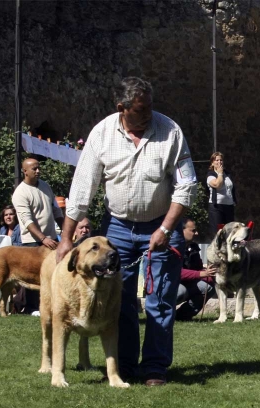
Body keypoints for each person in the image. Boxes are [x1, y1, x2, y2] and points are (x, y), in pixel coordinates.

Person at [56, 77, 197, 387]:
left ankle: (155, 369)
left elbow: (186, 185)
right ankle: (126, 366)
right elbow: (82, 189)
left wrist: (165, 228)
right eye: (140, 109)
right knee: (120, 303)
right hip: (116, 229)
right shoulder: (101, 135)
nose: (148, 114)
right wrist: (66, 238)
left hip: (163, 224)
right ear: (122, 108)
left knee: (160, 300)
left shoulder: (170, 131)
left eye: (150, 107)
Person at [12, 158, 64, 314]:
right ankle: (31, 308)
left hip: (52, 239)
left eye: (38, 168)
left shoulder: (45, 186)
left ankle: (51, 306)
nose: (38, 171)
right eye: (34, 169)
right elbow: (27, 221)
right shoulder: (20, 193)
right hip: (32, 241)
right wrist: (43, 239)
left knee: (53, 273)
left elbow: (56, 211)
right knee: (33, 274)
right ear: (25, 171)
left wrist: (66, 232)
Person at [175, 218, 217, 321]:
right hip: (172, 284)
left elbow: (198, 269)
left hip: (188, 283)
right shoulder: (172, 247)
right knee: (181, 291)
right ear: (181, 230)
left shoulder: (193, 248)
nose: (196, 233)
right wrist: (201, 274)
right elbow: (176, 272)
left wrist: (211, 274)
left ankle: (181, 316)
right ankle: (163, 314)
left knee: (209, 287)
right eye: (193, 230)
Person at [207, 152, 236, 238]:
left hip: (229, 206)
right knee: (218, 234)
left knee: (229, 233)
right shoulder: (211, 175)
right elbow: (217, 185)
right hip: (216, 208)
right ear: (212, 162)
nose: (219, 162)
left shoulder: (227, 174)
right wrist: (219, 173)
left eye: (221, 160)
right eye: (217, 160)